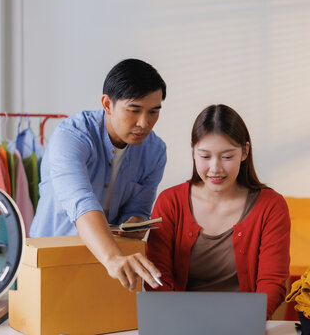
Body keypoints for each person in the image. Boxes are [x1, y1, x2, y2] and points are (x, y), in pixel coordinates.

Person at [30, 59, 166, 290]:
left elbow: (139, 210)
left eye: (153, 112)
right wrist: (113, 258)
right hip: (50, 260)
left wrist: (137, 221)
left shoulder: (155, 152)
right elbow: (80, 201)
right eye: (134, 110)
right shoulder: (71, 136)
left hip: (109, 269)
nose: (144, 123)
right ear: (107, 104)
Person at [145, 104, 290, 318]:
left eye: (227, 156)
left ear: (245, 152)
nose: (215, 168)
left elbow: (272, 283)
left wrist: (247, 324)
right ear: (193, 152)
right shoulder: (170, 202)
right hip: (181, 324)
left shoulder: (271, 206)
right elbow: (158, 278)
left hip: (245, 325)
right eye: (205, 156)